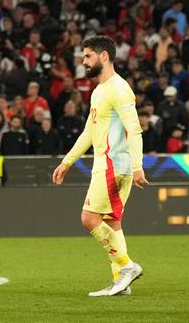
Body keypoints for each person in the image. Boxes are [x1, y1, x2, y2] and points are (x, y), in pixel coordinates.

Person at [52, 35, 148, 297]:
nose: (83, 61)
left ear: (104, 56)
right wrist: (67, 162)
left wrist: (138, 166)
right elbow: (88, 132)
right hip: (110, 165)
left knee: (89, 218)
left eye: (88, 56)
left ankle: (127, 267)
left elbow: (134, 129)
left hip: (113, 166)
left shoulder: (119, 89)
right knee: (111, 222)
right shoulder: (99, 91)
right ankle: (121, 281)